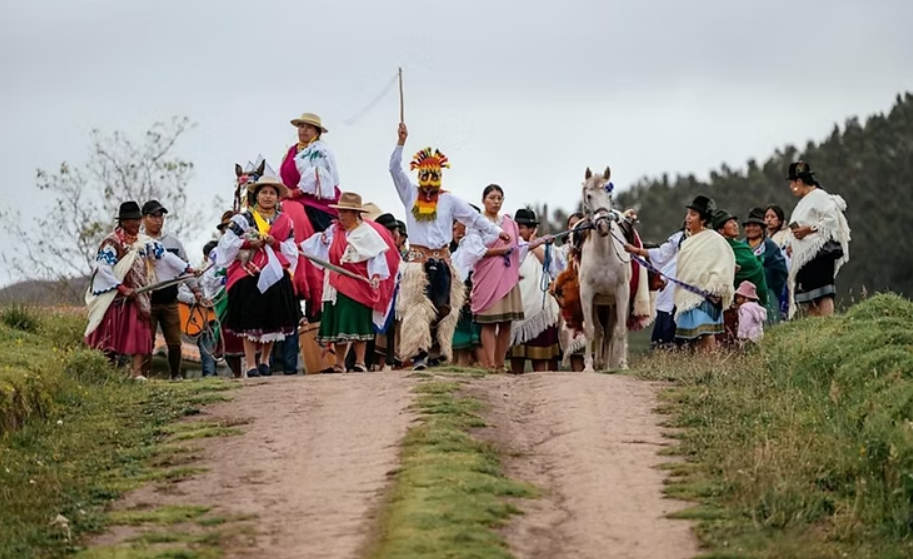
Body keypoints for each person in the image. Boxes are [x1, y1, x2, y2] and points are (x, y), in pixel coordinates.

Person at [389, 122, 509, 370]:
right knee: (418, 308)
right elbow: (394, 169)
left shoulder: (449, 200)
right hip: (418, 264)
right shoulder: (410, 194)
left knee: (442, 308)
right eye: (425, 175)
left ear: (440, 176)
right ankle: (419, 354)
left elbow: (474, 218)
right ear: (419, 176)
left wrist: (498, 232)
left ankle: (436, 352)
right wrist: (401, 142)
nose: (429, 181)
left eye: (434, 176)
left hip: (442, 262)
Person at [85, 201, 194, 379]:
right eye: (132, 220)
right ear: (123, 222)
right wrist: (122, 288)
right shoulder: (112, 243)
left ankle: (138, 373)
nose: (136, 224)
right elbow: (103, 269)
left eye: (137, 220)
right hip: (116, 299)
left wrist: (186, 269)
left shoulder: (144, 242)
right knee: (111, 337)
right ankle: (108, 374)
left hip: (138, 296)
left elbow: (164, 256)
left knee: (140, 333)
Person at [301, 192, 397, 373]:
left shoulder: (367, 233)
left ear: (356, 213)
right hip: (335, 281)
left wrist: (376, 276)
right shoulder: (333, 231)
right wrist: (313, 243)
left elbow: (377, 257)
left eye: (345, 211)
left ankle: (360, 362)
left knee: (357, 320)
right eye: (340, 211)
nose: (341, 215)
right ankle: (339, 363)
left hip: (357, 282)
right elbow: (319, 247)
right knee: (339, 320)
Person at [217, 176, 300, 378]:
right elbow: (227, 243)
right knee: (250, 319)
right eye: (264, 192)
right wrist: (248, 243)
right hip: (249, 272)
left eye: (272, 193)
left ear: (277, 197)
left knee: (273, 318)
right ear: (257, 195)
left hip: (275, 271)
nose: (268, 197)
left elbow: (291, 248)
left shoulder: (285, 221)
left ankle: (265, 359)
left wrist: (274, 243)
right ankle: (251, 363)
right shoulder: (243, 219)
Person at [279, 112, 340, 323]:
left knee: (327, 236)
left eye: (308, 127)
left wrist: (295, 192)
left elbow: (319, 177)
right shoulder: (291, 151)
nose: (303, 130)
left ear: (316, 132)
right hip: (288, 197)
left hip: (316, 200)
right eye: (301, 126)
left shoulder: (320, 151)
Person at [141, 199, 202, 379]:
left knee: (174, 341)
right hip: (146, 302)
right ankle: (144, 375)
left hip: (170, 300)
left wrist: (196, 291)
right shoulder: (138, 243)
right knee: (146, 341)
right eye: (153, 216)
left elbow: (183, 270)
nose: (158, 220)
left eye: (160, 216)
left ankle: (176, 375)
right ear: (144, 218)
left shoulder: (173, 242)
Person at [785, 161, 851, 318]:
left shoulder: (820, 196)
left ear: (799, 181)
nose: (791, 187)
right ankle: (815, 328)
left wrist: (807, 230)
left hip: (819, 253)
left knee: (823, 294)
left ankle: (827, 324)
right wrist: (793, 243)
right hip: (806, 258)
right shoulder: (803, 201)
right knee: (810, 298)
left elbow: (831, 221)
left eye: (792, 182)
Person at [673, 196, 736, 352]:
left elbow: (724, 263)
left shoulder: (715, 240)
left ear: (703, 220)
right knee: (691, 340)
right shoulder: (686, 242)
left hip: (705, 295)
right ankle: (698, 366)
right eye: (688, 214)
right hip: (688, 296)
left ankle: (710, 365)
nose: (688, 218)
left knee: (706, 334)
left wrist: (713, 286)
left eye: (693, 214)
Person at [509, 208, 560, 373]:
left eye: (522, 227)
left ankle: (541, 381)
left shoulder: (545, 246)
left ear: (532, 229)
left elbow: (549, 264)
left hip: (538, 305)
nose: (519, 231)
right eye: (517, 227)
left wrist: (533, 243)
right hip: (519, 301)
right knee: (516, 350)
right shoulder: (511, 246)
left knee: (540, 353)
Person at [178, 241, 219, 377]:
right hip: (204, 318)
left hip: (223, 316)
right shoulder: (200, 274)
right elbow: (180, 293)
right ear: (205, 258)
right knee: (207, 340)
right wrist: (197, 299)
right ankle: (209, 374)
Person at [742, 207, 788, 324]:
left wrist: (763, 275)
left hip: (767, 292)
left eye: (755, 225)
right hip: (743, 295)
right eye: (748, 226)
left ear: (762, 228)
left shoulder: (770, 247)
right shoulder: (741, 247)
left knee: (768, 324)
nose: (751, 228)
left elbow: (781, 271)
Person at [735, 281, 766, 345]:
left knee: (747, 349)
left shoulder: (746, 308)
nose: (736, 300)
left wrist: (742, 335)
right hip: (757, 335)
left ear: (746, 298)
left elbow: (745, 322)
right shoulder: (756, 308)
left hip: (748, 337)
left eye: (738, 297)